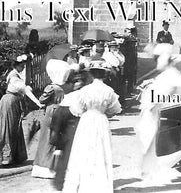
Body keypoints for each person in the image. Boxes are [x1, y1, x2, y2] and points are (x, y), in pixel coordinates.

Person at [62, 60, 122, 193]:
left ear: (92, 74)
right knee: (101, 149)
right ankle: (100, 185)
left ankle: (84, 183)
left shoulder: (85, 90)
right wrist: (103, 111)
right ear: (105, 75)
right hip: (101, 120)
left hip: (87, 120)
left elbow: (76, 109)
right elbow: (115, 109)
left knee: (84, 149)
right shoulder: (108, 90)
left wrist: (87, 110)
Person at [137, 45, 181, 182]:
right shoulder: (164, 74)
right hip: (153, 109)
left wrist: (159, 105)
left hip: (162, 110)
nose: (157, 62)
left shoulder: (175, 75)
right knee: (145, 134)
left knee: (149, 135)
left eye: (158, 58)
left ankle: (154, 168)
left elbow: (179, 94)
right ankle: (149, 168)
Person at [0, 55, 43, 166]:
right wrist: (39, 103)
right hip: (9, 103)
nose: (23, 68)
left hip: (12, 102)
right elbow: (25, 91)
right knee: (7, 128)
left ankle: (12, 157)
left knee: (13, 127)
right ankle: (2, 158)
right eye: (21, 66)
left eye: (24, 66)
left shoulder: (15, 75)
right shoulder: (14, 77)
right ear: (16, 66)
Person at [49, 70, 89, 191]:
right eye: (76, 81)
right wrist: (57, 143)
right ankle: (63, 183)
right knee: (67, 159)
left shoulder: (88, 96)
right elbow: (58, 122)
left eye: (81, 81)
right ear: (71, 83)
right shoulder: (68, 99)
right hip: (70, 134)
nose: (79, 84)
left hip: (84, 132)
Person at [31, 60, 72, 178]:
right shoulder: (63, 86)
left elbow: (41, 100)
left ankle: (44, 166)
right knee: (55, 137)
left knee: (46, 138)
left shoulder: (51, 87)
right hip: (60, 110)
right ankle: (55, 166)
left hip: (50, 111)